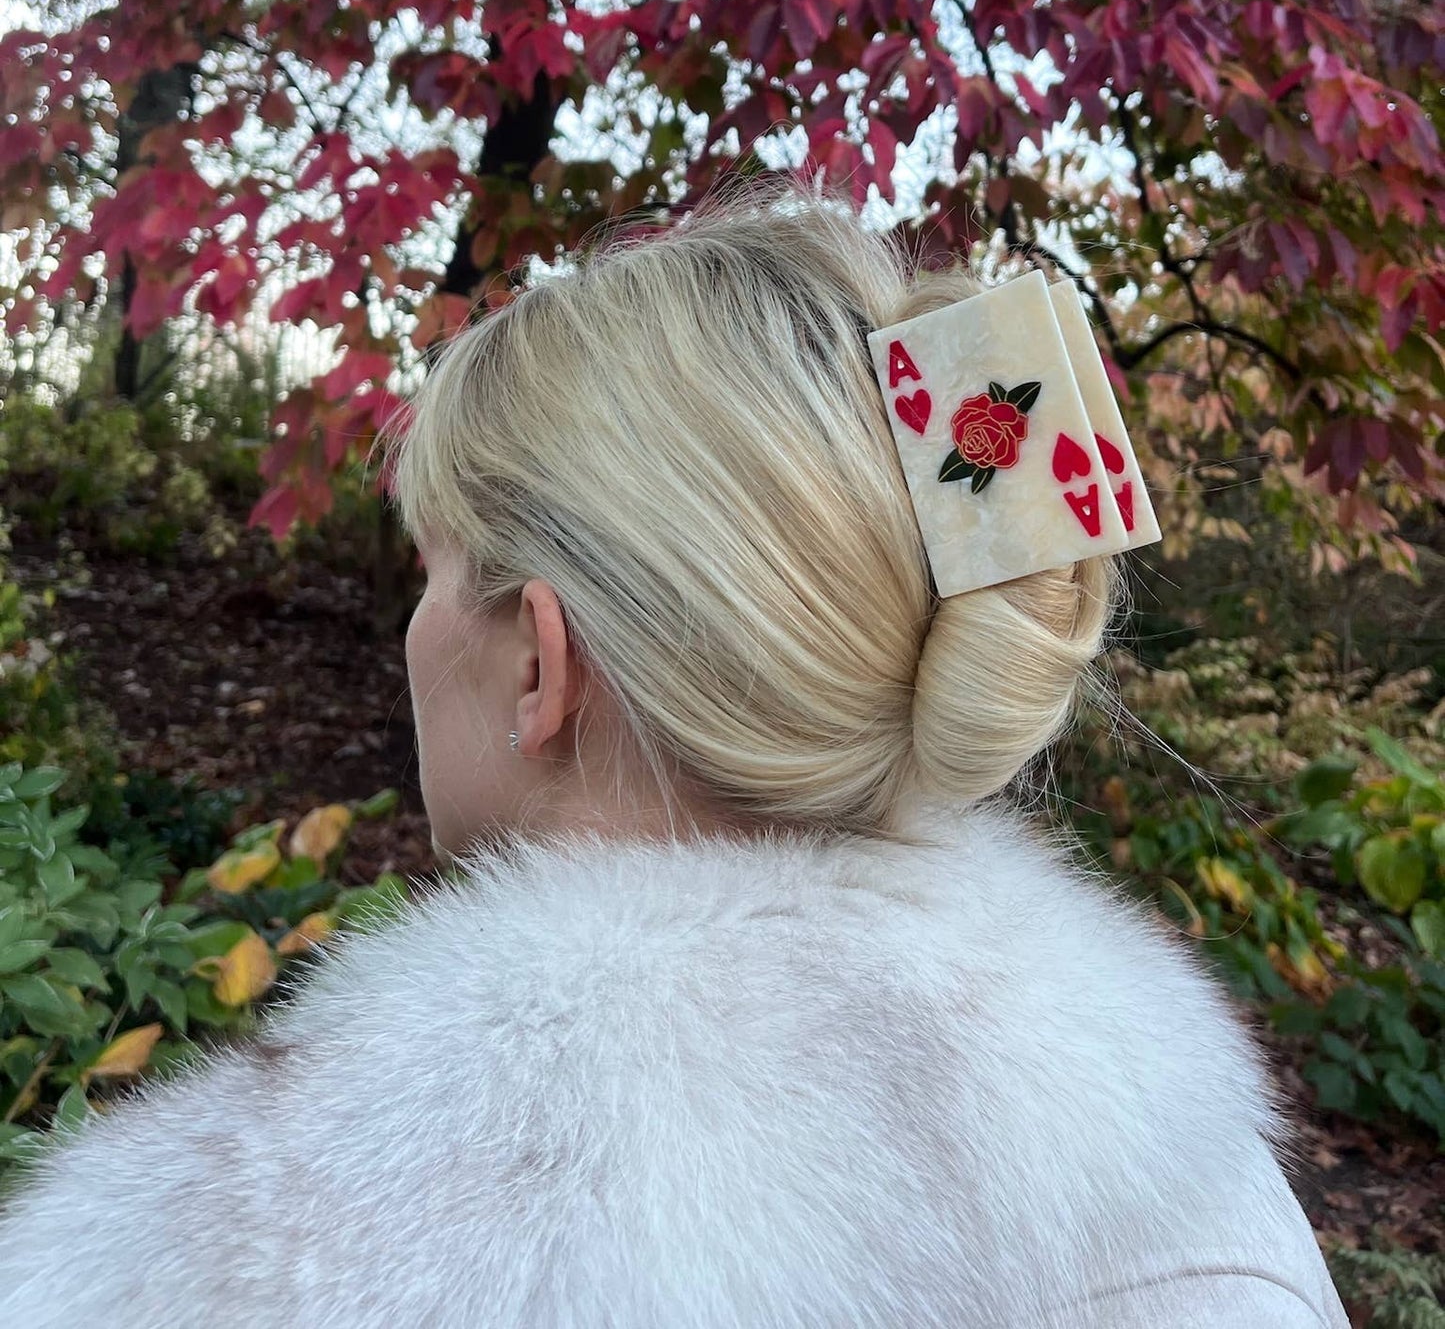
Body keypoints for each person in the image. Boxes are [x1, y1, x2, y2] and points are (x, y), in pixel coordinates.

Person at [0, 176, 1350, 1328]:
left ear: (539, 663)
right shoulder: (1183, 1190)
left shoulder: (256, 1251)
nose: (408, 629)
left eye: (429, 571)